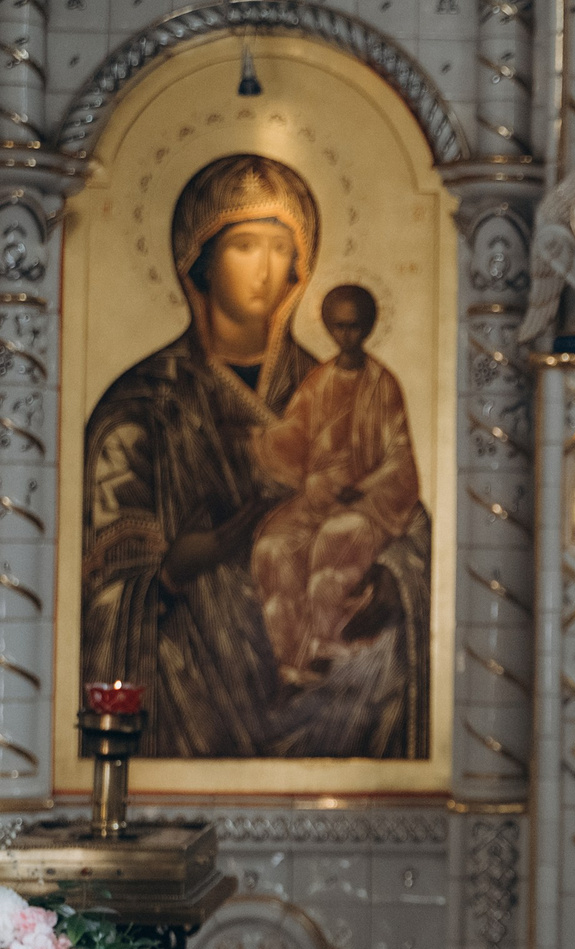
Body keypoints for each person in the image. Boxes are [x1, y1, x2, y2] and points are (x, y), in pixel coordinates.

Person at [81, 153, 432, 760]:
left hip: (340, 693)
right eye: (245, 245)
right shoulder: (144, 406)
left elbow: (406, 509)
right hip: (191, 697)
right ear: (201, 259)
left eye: (280, 249)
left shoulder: (342, 386)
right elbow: (105, 587)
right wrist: (173, 570)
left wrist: (393, 581)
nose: (266, 270)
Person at [250, 284, 423, 684]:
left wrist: (363, 488)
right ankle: (291, 660)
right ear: (328, 327)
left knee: (336, 538)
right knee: (273, 546)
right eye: (339, 327)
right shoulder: (319, 382)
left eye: (355, 327)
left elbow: (399, 455)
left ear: (368, 327)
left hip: (369, 502)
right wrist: (256, 441)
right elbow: (293, 435)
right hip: (317, 498)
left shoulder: (383, 384)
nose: (347, 335)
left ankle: (328, 651)